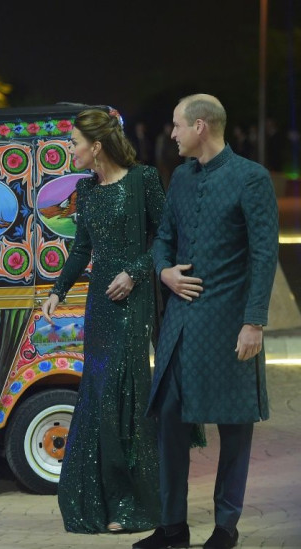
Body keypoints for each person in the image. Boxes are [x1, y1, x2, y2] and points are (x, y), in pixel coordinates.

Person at [133, 94, 278, 549]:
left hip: (230, 326)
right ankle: (173, 527)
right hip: (179, 326)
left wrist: (254, 321)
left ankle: (226, 529)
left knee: (234, 428)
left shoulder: (250, 178)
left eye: (176, 126)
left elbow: (264, 254)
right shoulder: (179, 178)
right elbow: (164, 240)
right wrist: (164, 272)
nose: (171, 134)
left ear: (200, 126)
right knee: (170, 422)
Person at [41, 109, 165, 534]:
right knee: (98, 393)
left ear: (96, 146)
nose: (70, 150)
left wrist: (135, 273)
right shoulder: (86, 190)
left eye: (74, 142)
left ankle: (134, 503)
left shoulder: (142, 180)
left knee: (121, 391)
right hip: (100, 306)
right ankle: (106, 499)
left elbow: (166, 236)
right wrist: (58, 290)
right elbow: (81, 249)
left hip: (133, 301)